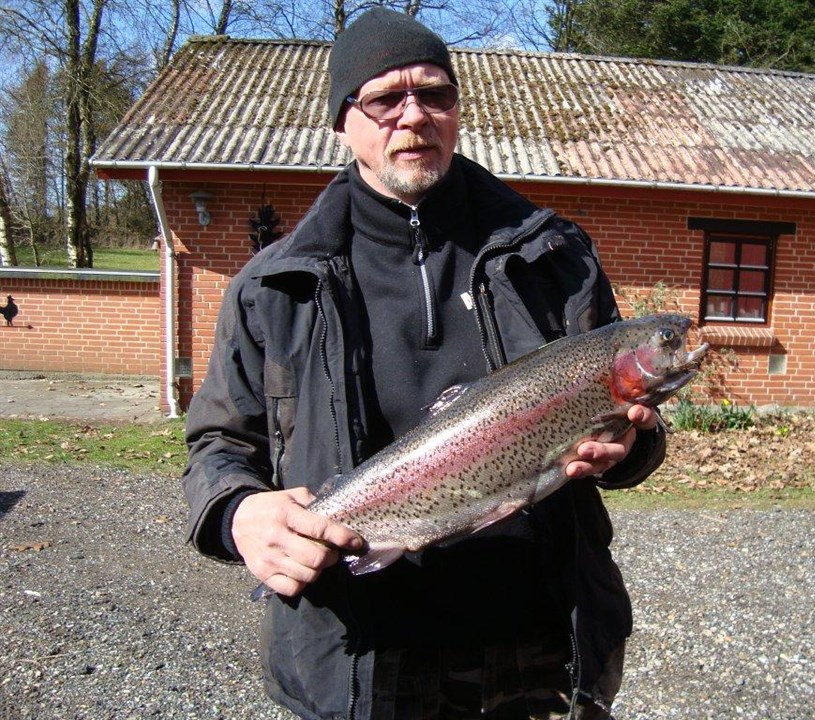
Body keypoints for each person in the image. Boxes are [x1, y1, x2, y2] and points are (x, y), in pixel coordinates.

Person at [182, 8, 667, 720]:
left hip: (540, 642)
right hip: (358, 653)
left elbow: (632, 421)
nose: (414, 115)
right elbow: (219, 446)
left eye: (435, 93)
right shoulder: (272, 288)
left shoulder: (554, 255)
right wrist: (239, 514)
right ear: (342, 121)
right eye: (386, 98)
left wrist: (629, 448)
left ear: (457, 111)